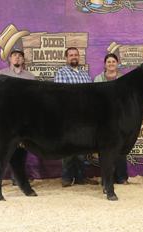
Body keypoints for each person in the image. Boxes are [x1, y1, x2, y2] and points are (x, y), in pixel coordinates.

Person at [54, 47, 98, 187]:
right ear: (66, 58)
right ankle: (67, 177)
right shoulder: (61, 73)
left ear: (79, 57)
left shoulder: (85, 75)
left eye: (76, 55)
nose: (74, 57)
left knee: (81, 149)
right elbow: (60, 97)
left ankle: (81, 177)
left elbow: (90, 97)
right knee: (68, 148)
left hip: (84, 118)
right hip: (68, 117)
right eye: (71, 55)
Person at [0, 48, 35, 186]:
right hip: (5, 117)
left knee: (21, 149)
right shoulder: (1, 74)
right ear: (10, 59)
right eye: (14, 56)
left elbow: (33, 99)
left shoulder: (30, 77)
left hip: (23, 118)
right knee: (0, 148)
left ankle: (16, 179)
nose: (17, 58)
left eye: (20, 56)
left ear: (23, 60)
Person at [94, 53, 129, 185]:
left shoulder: (123, 79)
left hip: (119, 118)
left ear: (117, 63)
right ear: (105, 64)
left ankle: (122, 177)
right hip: (103, 119)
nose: (111, 64)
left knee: (120, 148)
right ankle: (109, 178)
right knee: (105, 149)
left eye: (113, 61)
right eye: (108, 62)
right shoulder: (98, 79)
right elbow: (95, 99)